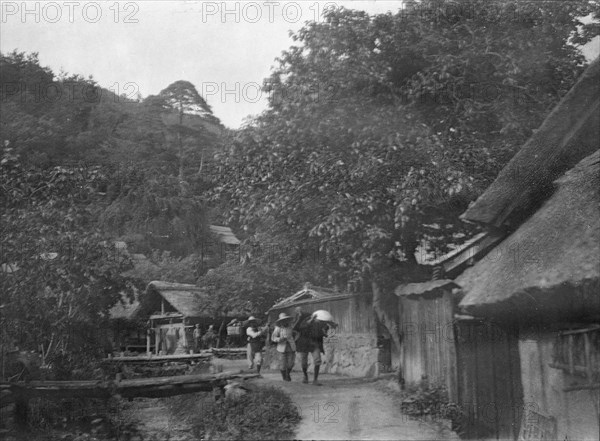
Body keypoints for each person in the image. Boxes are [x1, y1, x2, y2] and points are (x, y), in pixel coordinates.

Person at [294, 309, 332, 385]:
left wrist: (324, 333)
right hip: (304, 343)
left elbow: (324, 333)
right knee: (304, 362)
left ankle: (315, 380)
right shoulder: (305, 322)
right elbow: (301, 327)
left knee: (317, 360)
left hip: (314, 343)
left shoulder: (322, 324)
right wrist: (311, 320)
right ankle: (305, 376)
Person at [271, 312, 297, 381]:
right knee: (283, 364)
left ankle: (287, 373)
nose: (284, 322)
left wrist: (294, 339)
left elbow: (296, 333)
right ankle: (284, 377)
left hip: (291, 346)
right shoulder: (278, 328)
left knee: (291, 363)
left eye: (285, 320)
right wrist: (280, 339)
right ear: (280, 321)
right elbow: (273, 338)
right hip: (281, 347)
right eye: (282, 320)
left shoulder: (290, 327)